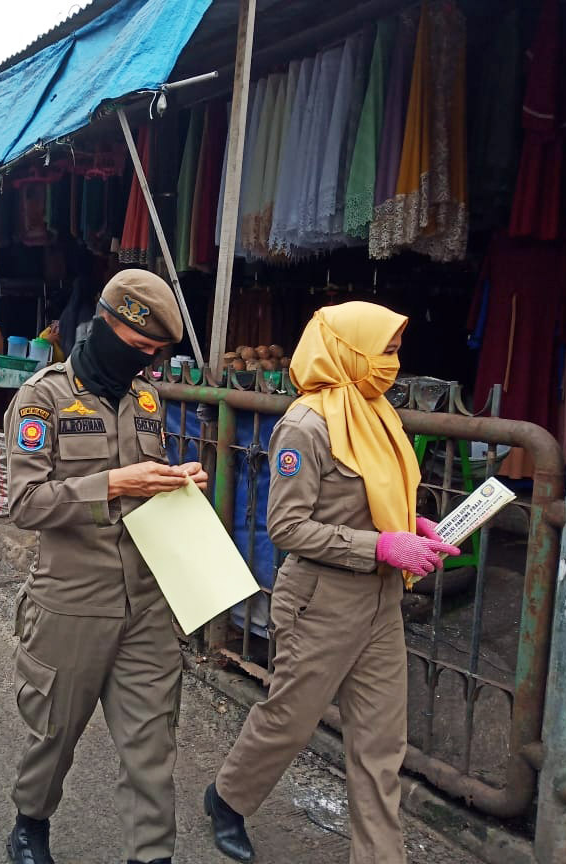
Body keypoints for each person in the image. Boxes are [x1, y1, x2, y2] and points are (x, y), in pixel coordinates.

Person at [203, 302, 460, 864]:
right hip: (320, 601)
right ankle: (228, 797)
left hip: (381, 601)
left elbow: (374, 500)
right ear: (349, 351)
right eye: (385, 351)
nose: (393, 363)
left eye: (395, 351)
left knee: (380, 744)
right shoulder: (306, 425)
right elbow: (287, 527)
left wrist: (411, 526)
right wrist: (380, 546)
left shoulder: (376, 413)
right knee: (290, 720)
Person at [4, 269, 207, 864]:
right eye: (140, 347)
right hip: (71, 601)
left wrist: (175, 482)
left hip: (146, 602)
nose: (148, 362)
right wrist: (115, 483)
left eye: (156, 353)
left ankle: (152, 855)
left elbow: (147, 484)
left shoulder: (146, 400)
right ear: (107, 325)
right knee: (55, 732)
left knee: (152, 745)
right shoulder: (42, 398)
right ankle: (30, 822)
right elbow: (24, 503)